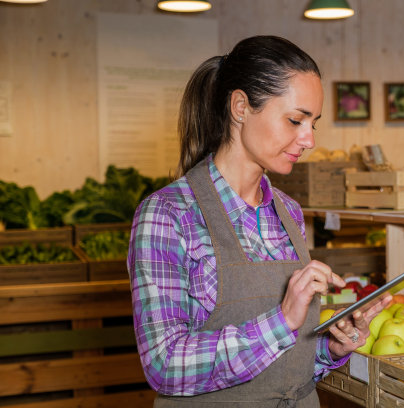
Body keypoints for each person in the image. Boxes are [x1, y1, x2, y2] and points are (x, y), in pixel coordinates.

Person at [127, 35, 390, 407]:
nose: (309, 139)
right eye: (296, 120)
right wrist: (282, 320)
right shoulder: (168, 215)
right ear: (239, 107)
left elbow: (287, 366)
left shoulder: (289, 212)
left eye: (314, 123)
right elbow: (164, 365)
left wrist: (329, 348)